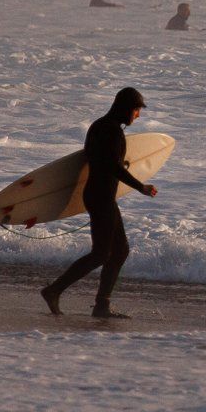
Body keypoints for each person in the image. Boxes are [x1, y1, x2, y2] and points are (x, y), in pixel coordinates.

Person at [42, 87, 159, 319]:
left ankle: (100, 304)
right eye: (136, 110)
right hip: (101, 197)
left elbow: (99, 159)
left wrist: (119, 164)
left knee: (118, 251)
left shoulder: (99, 126)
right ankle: (55, 291)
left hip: (97, 195)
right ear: (126, 108)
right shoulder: (112, 131)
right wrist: (140, 186)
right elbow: (111, 166)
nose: (138, 115)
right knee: (101, 254)